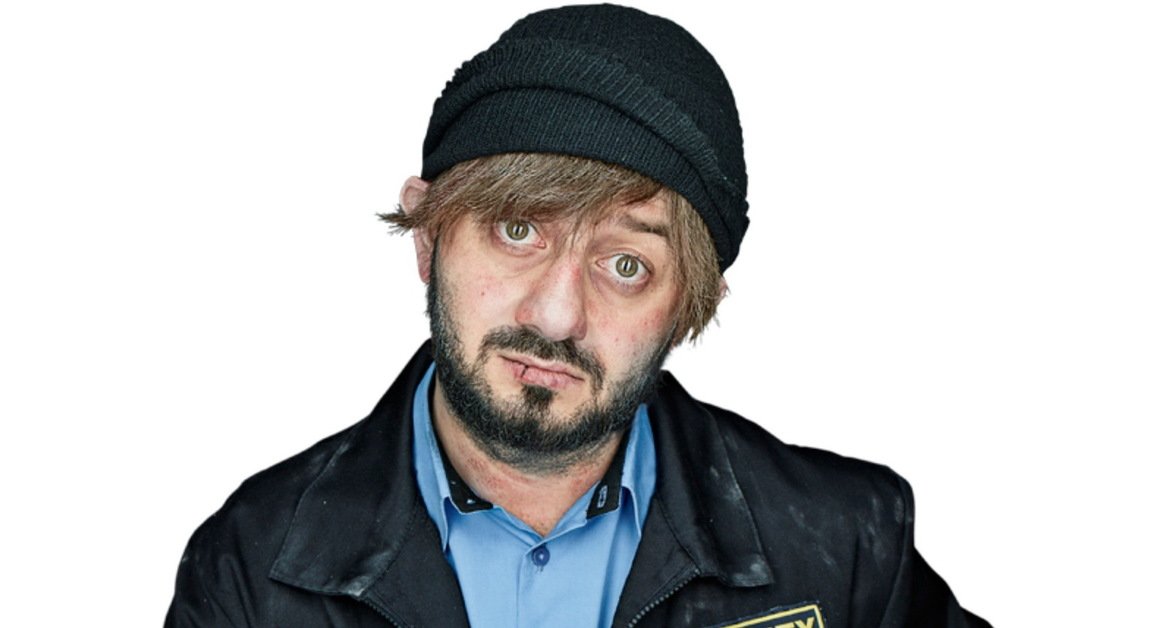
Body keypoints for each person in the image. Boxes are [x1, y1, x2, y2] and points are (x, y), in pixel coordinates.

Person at [167, 5, 988, 627]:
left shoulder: (849, 549)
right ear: (428, 237)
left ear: (688, 307)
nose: (557, 316)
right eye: (517, 229)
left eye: (626, 265)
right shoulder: (252, 568)